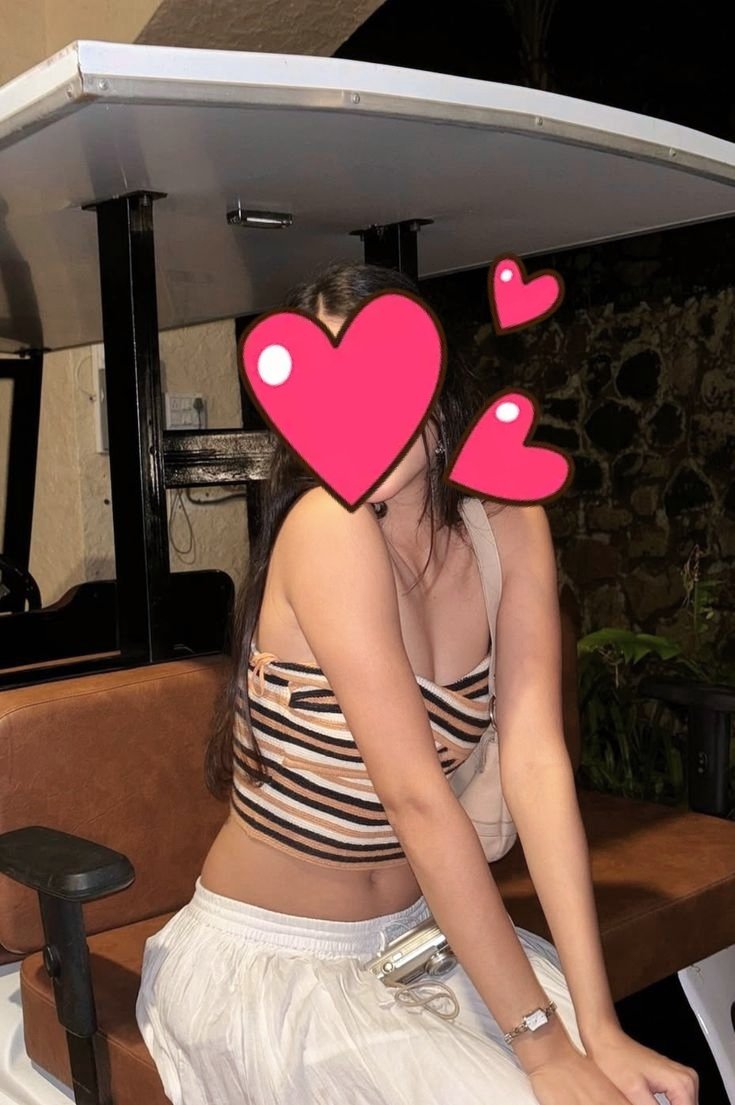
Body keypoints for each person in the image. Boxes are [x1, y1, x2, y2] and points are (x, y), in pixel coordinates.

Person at [136, 261, 698, 1105]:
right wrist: (544, 1047)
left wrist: (597, 1020)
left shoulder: (508, 522)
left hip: (422, 946)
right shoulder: (329, 530)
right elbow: (416, 801)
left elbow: (536, 763)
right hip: (278, 966)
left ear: (436, 391)